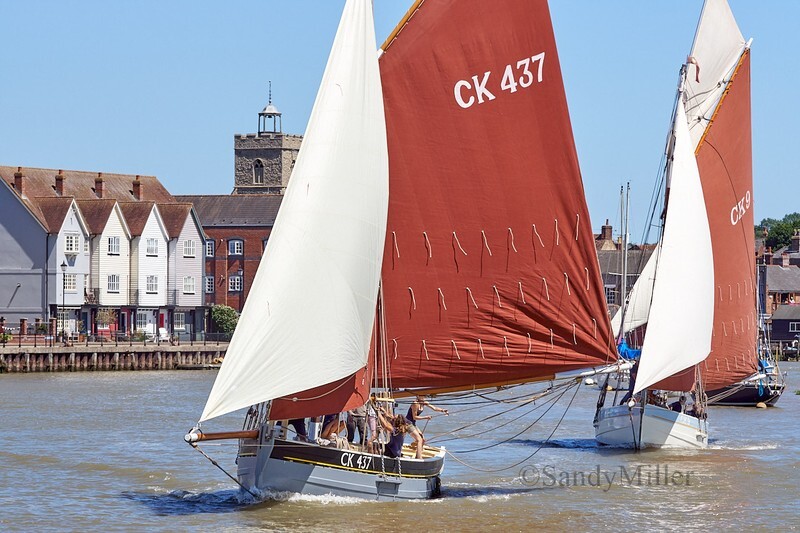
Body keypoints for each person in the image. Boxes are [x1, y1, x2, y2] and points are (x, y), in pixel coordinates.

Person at [404, 395, 448, 459]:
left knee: (423, 440)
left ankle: (417, 455)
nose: (423, 397)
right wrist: (426, 417)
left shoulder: (424, 403)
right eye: (422, 396)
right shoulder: (415, 404)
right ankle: (419, 458)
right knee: (419, 439)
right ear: (418, 396)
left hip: (413, 423)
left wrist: (443, 410)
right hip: (407, 423)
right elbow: (415, 417)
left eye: (424, 396)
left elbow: (434, 408)